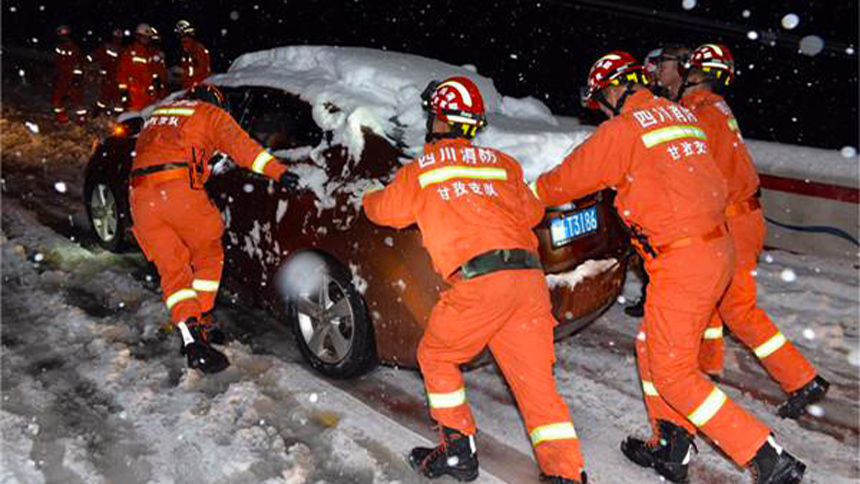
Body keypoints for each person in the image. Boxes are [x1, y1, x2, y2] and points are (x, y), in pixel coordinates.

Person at [531, 51, 806, 484]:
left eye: (601, 100)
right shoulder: (680, 116)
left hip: (683, 262)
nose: (601, 109)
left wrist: (519, 194)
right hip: (717, 248)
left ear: (613, 89)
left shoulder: (622, 130)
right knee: (652, 348)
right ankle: (672, 445)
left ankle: (765, 456)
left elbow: (560, 184)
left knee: (674, 374)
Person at [363, 76, 587, 484]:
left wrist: (368, 194)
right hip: (528, 281)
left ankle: (457, 451)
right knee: (534, 382)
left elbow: (384, 212)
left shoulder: (424, 169)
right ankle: (567, 473)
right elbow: (532, 214)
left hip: (481, 284)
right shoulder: (502, 164)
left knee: (437, 356)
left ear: (439, 120)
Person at [671, 43, 829, 415]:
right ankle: (706, 367)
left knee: (738, 309)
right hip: (742, 216)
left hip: (731, 220)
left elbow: (693, 172)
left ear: (692, 74)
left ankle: (802, 379)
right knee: (711, 295)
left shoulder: (696, 114)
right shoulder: (718, 108)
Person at [129, 84, 300, 373]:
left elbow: (162, 150)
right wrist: (279, 172)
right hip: (178, 191)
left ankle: (191, 335)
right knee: (209, 253)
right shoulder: (209, 113)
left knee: (173, 270)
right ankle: (203, 323)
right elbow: (244, 149)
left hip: (140, 198)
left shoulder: (160, 113)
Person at [117, 23, 162, 111]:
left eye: (148, 38)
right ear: (138, 37)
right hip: (134, 96)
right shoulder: (130, 52)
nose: (147, 40)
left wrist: (156, 82)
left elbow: (151, 73)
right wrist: (124, 93)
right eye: (145, 37)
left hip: (147, 96)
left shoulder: (148, 54)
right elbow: (122, 72)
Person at [51, 25, 87, 123]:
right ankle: (61, 117)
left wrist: (77, 77)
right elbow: (57, 62)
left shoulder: (74, 48)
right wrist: (56, 74)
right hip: (62, 77)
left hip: (72, 78)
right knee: (57, 98)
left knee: (77, 99)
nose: (63, 37)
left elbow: (79, 63)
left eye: (64, 35)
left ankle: (81, 119)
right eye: (61, 35)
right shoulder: (59, 47)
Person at [92, 28, 124, 116]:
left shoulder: (123, 50)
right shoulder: (106, 47)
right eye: (116, 37)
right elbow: (96, 55)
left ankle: (118, 116)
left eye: (119, 38)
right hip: (108, 77)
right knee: (105, 97)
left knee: (117, 98)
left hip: (117, 78)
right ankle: (98, 113)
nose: (117, 40)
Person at [175, 19, 211, 89]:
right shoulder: (184, 50)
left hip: (198, 86)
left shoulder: (196, 48)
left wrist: (184, 72)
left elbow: (201, 69)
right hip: (189, 86)